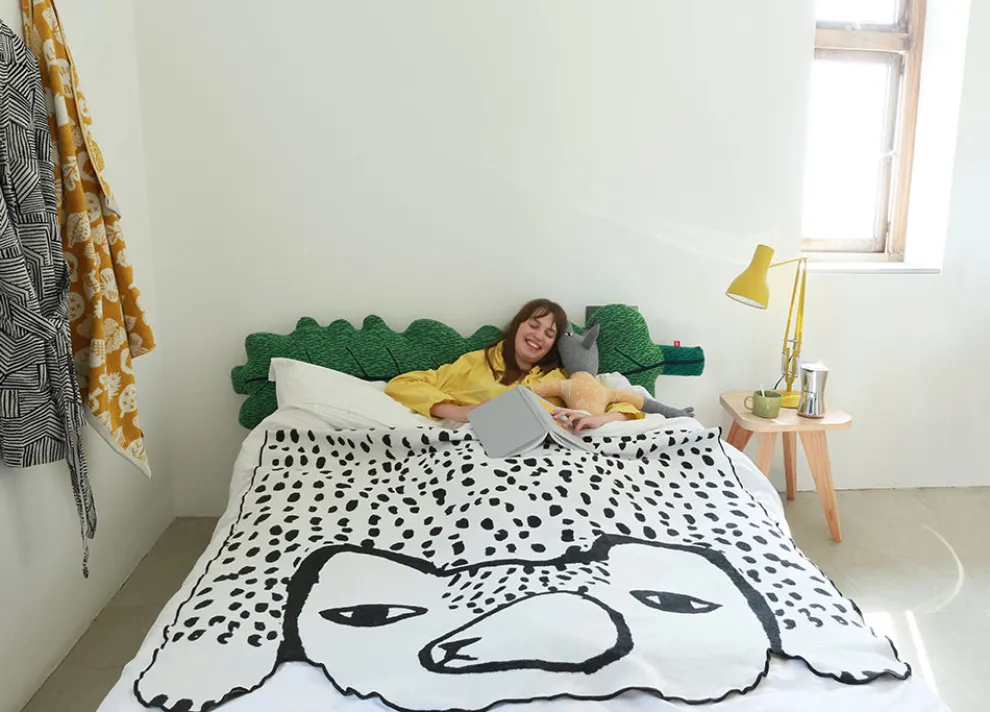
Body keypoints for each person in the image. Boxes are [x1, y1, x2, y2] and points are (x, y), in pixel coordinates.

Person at [385, 299, 643, 432]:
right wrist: (456, 411)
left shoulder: (562, 377)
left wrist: (599, 419)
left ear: (554, 344)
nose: (538, 336)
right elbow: (403, 384)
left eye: (549, 334)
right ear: (518, 325)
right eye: (534, 325)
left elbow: (622, 404)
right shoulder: (475, 363)